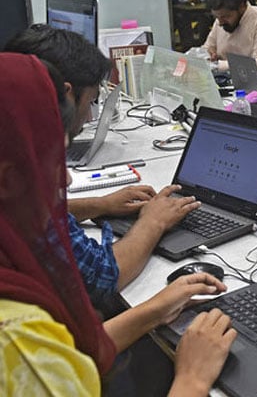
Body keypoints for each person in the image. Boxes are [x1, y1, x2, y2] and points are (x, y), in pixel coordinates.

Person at [0, 52, 236, 396]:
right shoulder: (18, 345)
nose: (65, 180)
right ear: (8, 180)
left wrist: (154, 310)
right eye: (52, 159)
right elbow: (45, 358)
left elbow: (72, 354)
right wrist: (192, 381)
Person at [4, 26, 202, 308]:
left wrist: (99, 204)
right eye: (92, 101)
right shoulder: (19, 160)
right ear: (66, 95)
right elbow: (100, 277)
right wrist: (153, 222)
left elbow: (19, 211)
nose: (88, 117)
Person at [202, 0, 257, 73]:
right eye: (216, 17)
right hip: (223, 77)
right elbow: (206, 49)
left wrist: (218, 65)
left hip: (253, 80)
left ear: (242, 7)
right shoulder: (221, 19)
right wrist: (209, 54)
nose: (220, 23)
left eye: (225, 16)